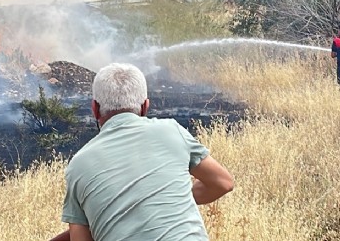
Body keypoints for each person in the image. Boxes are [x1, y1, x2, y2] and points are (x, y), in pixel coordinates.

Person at [50, 63, 234, 241]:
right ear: (145, 106)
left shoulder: (78, 165)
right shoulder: (171, 131)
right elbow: (223, 183)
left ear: (95, 108)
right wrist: (164, 201)